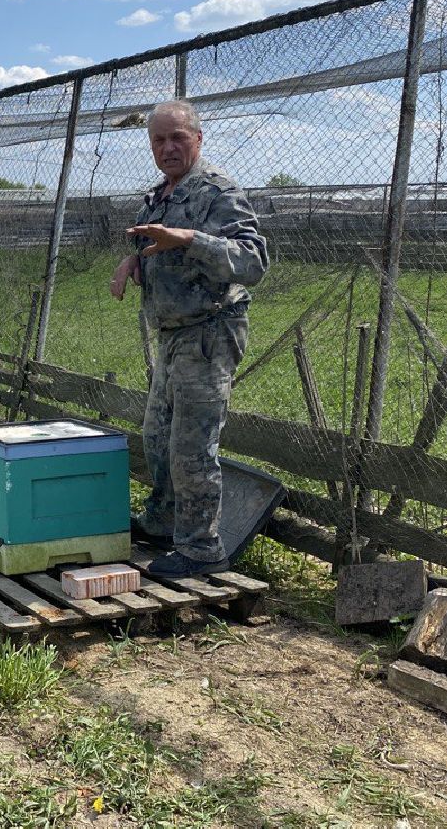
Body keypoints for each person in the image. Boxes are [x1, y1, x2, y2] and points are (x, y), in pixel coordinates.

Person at [109, 100, 269, 577]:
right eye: (158, 139)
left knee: (192, 446)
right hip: (173, 335)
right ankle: (163, 523)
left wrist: (188, 240)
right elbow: (150, 241)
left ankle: (202, 549)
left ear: (198, 139)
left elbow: (253, 261)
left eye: (177, 137)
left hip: (210, 331)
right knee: (157, 436)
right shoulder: (161, 195)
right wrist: (131, 260)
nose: (168, 147)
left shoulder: (218, 193)